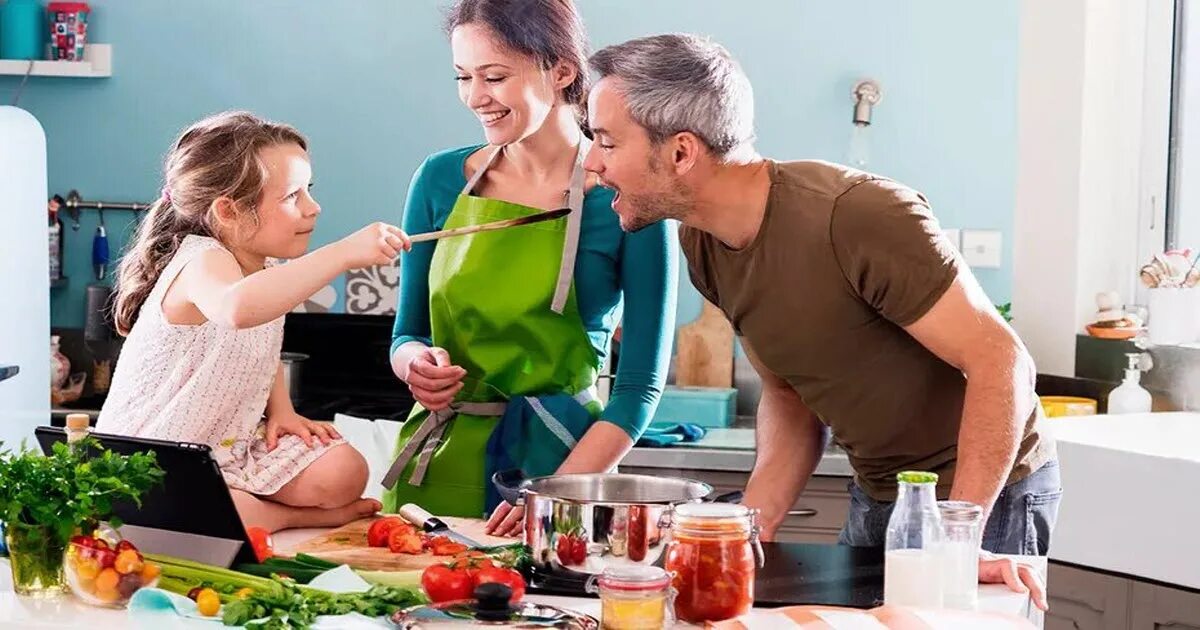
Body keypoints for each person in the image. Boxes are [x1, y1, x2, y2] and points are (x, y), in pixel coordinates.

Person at [582, 34, 1057, 609]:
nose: (592, 163)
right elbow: (788, 393)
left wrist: (957, 540)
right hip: (881, 491)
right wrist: (749, 528)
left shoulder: (856, 216)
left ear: (682, 152)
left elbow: (1001, 362)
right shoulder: (703, 243)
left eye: (606, 142)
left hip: (982, 495)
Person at [385, 0, 677, 535]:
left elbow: (639, 388)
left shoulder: (627, 196)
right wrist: (414, 366)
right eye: (463, 77)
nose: (476, 98)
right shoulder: (438, 180)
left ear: (562, 69)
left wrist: (554, 498)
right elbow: (406, 334)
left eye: (495, 76)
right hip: (436, 466)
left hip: (565, 468)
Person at [98, 111, 412, 533]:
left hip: (228, 445)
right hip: (157, 457)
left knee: (345, 469)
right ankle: (282, 516)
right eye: (291, 197)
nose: (313, 208)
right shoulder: (200, 261)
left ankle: (249, 505)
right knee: (207, 508)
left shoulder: (265, 269)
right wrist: (341, 253)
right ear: (228, 210)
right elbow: (237, 309)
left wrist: (282, 410)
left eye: (309, 191)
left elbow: (258, 345)